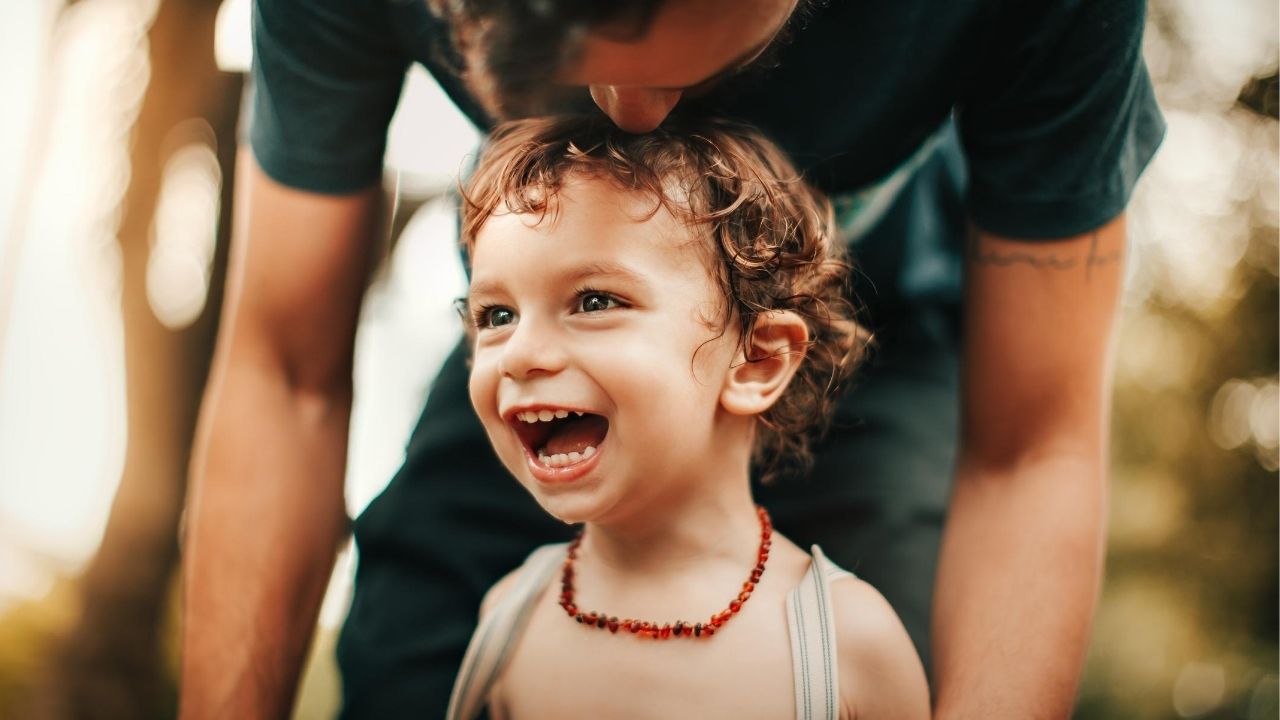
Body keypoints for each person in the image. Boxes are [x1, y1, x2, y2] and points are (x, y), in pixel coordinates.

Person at [179, 0, 1165, 718]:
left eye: (676, 53)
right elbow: (285, 375)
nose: (628, 112)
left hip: (893, 338)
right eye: (561, 61)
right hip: (571, 349)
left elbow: (1031, 447)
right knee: (401, 663)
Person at [446, 114, 928, 720]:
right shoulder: (508, 618)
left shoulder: (849, 648)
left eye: (594, 302)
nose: (517, 354)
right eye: (495, 315)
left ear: (756, 360)